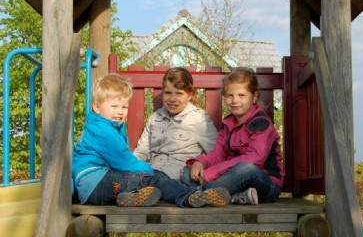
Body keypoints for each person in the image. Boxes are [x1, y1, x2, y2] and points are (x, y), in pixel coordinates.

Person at [72, 73, 230, 208]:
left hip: (101, 184)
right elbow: (125, 161)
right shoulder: (103, 131)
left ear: (190, 95)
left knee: (148, 182)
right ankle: (190, 198)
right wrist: (148, 172)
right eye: (114, 106)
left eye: (124, 107)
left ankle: (130, 198)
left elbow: (217, 152)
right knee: (152, 180)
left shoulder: (107, 126)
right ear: (96, 107)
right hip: (97, 182)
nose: (120, 112)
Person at [180, 68, 285, 205]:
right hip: (234, 180)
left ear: (254, 96)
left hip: (265, 183)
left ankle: (198, 193)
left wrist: (212, 172)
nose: (235, 100)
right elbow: (218, 156)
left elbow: (254, 160)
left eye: (241, 95)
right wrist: (200, 163)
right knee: (186, 173)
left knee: (245, 168)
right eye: (230, 95)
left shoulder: (261, 122)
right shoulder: (228, 123)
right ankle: (233, 196)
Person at [133, 67, 218, 180]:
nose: (173, 99)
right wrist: (129, 166)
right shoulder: (155, 118)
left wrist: (201, 163)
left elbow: (217, 153)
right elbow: (142, 151)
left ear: (190, 95)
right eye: (168, 93)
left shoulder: (199, 119)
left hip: (178, 175)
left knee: (154, 180)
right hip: (151, 170)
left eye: (179, 93)